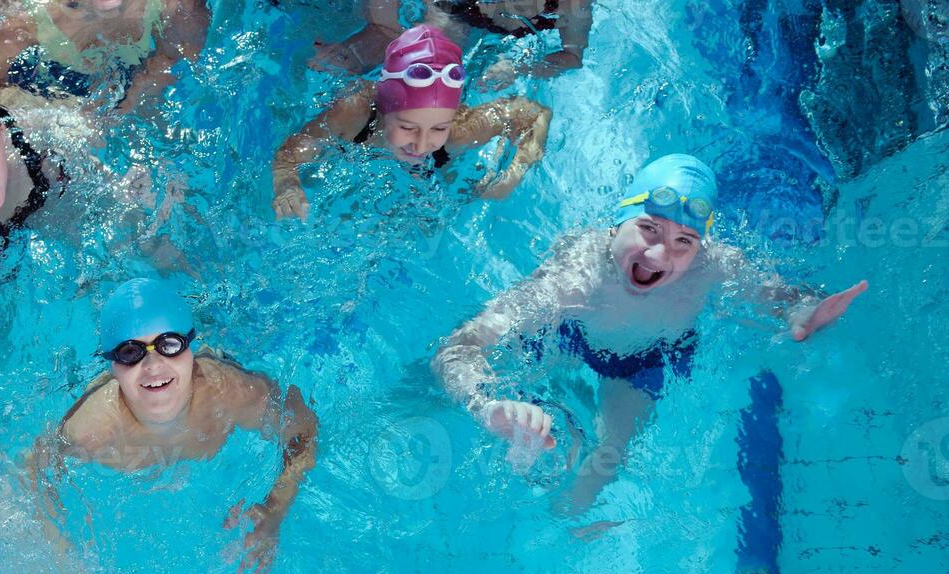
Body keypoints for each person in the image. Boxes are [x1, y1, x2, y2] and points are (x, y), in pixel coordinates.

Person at [432, 153, 870, 513]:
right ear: (619, 220)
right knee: (453, 398)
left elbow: (785, 297)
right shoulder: (575, 275)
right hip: (569, 338)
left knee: (604, 465)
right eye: (648, 228)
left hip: (647, 360)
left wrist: (803, 314)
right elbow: (459, 347)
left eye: (685, 241)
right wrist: (485, 404)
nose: (661, 254)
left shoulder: (715, 264)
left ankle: (562, 527)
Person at [32, 278, 319, 574]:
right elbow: (31, 472)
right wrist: (64, 563)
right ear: (111, 366)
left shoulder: (230, 392)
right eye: (131, 353)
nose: (153, 365)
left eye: (170, 345)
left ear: (191, 349)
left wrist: (276, 508)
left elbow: (304, 431)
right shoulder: (90, 428)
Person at [0, 56, 186, 352]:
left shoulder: (33, 130)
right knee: (4, 338)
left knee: (138, 236)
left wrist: (128, 192)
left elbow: (98, 135)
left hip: (44, 200)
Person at [274, 26, 550, 220]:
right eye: (407, 127)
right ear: (384, 109)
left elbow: (534, 113)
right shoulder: (354, 112)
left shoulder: (459, 131)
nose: (421, 145)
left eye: (438, 128)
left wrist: (514, 173)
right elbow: (288, 157)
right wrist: (288, 186)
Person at [0, 0, 210, 113]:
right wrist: (53, 114)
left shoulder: (176, 6)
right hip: (38, 78)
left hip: (126, 75)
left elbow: (174, 58)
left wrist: (120, 111)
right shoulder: (21, 20)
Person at [313, 0, 593, 91]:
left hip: (476, 28)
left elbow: (571, 57)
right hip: (452, 9)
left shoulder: (573, 5)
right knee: (338, 61)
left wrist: (519, 68)